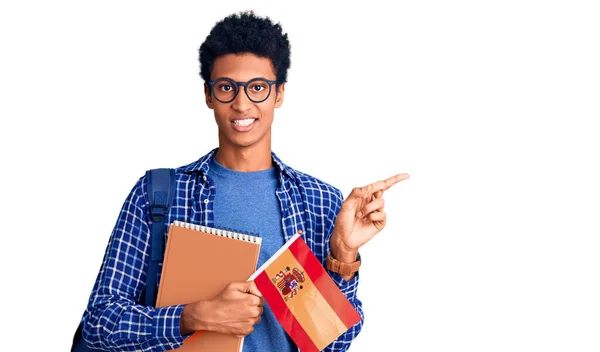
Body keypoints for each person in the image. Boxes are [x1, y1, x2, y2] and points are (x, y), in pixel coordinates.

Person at [79, 10, 409, 352]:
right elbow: (100, 322)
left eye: (257, 88)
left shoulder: (319, 201)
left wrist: (343, 255)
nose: (241, 104)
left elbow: (332, 344)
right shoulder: (159, 194)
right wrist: (191, 317)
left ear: (279, 94)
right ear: (208, 95)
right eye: (226, 88)